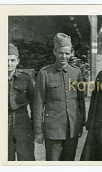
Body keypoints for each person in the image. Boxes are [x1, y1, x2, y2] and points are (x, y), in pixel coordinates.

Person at [34, 33, 86, 161]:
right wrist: (38, 131)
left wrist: (81, 124)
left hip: (72, 128)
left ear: (71, 53)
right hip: (53, 130)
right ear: (54, 52)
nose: (64, 56)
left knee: (69, 162)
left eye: (67, 53)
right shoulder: (45, 73)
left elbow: (80, 101)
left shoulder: (76, 72)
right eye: (61, 53)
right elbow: (38, 103)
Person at [8, 44, 35, 161]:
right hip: (2, 121)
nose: (9, 63)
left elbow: (34, 103)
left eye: (12, 60)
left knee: (26, 157)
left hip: (22, 121)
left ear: (17, 61)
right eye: (6, 60)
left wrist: (35, 125)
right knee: (5, 157)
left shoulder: (26, 78)